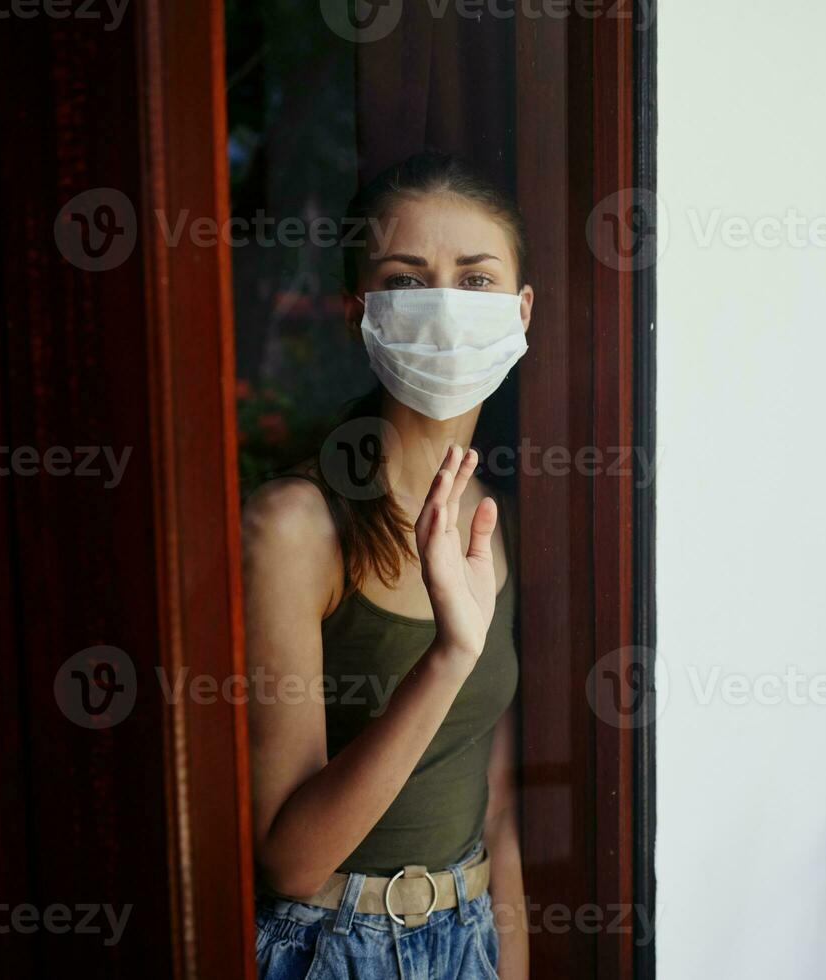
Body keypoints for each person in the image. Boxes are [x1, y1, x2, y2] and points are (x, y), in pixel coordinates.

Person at [241, 151, 532, 979]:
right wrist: (448, 656)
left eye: (475, 280)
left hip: (470, 932)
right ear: (357, 312)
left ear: (521, 309)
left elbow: (498, 805)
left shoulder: (492, 515)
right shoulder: (296, 526)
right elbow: (287, 864)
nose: (444, 307)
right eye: (408, 281)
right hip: (333, 944)